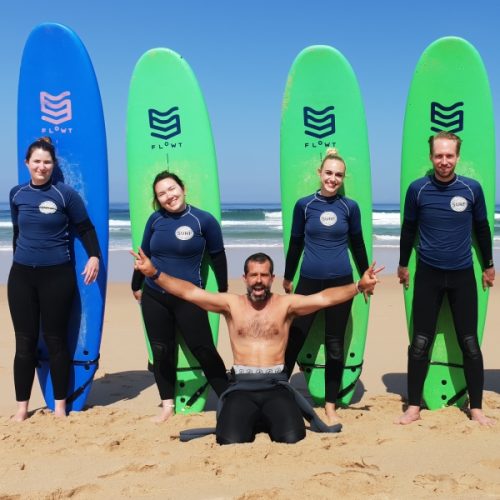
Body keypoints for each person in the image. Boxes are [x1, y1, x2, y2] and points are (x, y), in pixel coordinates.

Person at [131, 248, 382, 444]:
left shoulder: (286, 305)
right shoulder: (231, 304)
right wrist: (154, 274)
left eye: (264, 275)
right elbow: (190, 292)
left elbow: (324, 298)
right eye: (254, 275)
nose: (259, 281)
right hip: (240, 387)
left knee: (293, 437)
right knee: (229, 439)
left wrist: (359, 286)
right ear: (245, 278)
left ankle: (268, 418)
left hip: (276, 386)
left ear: (272, 278)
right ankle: (252, 419)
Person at [397, 131, 495, 426]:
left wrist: (489, 265)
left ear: (457, 157)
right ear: (431, 157)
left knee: (469, 343)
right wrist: (402, 264)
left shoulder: (471, 189)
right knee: (420, 343)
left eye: (449, 156)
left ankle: (475, 407)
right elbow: (408, 229)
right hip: (428, 274)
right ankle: (413, 406)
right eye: (438, 155)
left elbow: (481, 229)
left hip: (462, 275)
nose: (443, 161)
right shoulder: (418, 190)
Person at [8, 137, 100, 421]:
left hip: (57, 277)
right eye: (36, 161)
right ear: (27, 163)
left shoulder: (65, 195)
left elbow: (84, 228)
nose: (41, 166)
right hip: (22, 277)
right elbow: (17, 233)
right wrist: (20, 259)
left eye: (47, 162)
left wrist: (94, 256)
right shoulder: (16, 194)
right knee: (24, 344)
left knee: (56, 341)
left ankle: (60, 406)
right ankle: (22, 408)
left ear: (54, 165)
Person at [131, 171, 229, 423]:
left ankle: (228, 399)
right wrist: (136, 284)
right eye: (161, 193)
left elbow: (217, 256)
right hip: (155, 295)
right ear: (157, 199)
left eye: (171, 189)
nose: (168, 196)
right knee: (161, 350)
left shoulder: (203, 221)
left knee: (204, 349)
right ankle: (167, 405)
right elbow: (144, 257)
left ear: (182, 188)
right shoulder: (155, 220)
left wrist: (223, 291)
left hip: (189, 297)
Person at [282, 148, 369, 424]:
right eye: (329, 173)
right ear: (319, 174)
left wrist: (366, 276)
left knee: (334, 345)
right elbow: (296, 242)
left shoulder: (349, 207)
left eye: (338, 175)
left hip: (340, 283)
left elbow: (357, 243)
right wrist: (288, 275)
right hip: (307, 282)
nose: (333, 179)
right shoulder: (304, 205)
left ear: (343, 179)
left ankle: (330, 405)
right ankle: (280, 397)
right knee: (294, 339)